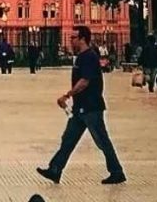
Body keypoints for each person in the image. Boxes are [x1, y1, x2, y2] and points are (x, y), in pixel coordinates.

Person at [38, 25, 126, 186]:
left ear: (82, 39)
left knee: (101, 140)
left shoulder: (89, 57)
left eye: (74, 37)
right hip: (80, 108)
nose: (71, 40)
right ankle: (55, 169)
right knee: (68, 139)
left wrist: (67, 95)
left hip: (91, 107)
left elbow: (85, 81)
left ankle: (117, 172)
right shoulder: (81, 57)